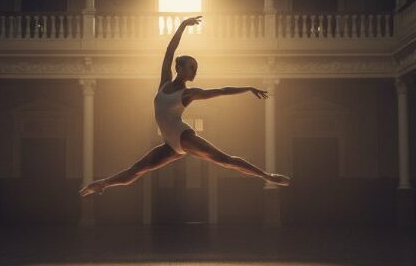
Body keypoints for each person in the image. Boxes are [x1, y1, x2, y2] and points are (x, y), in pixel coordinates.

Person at [79, 15, 291, 197]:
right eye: (191, 67)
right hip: (170, 145)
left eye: (196, 68)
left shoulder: (188, 93)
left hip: (183, 137)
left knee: (224, 160)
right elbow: (170, 50)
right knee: (134, 172)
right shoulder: (164, 82)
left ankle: (267, 176)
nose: (194, 72)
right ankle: (102, 184)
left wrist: (247, 88)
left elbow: (222, 90)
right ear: (179, 68)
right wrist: (182, 26)